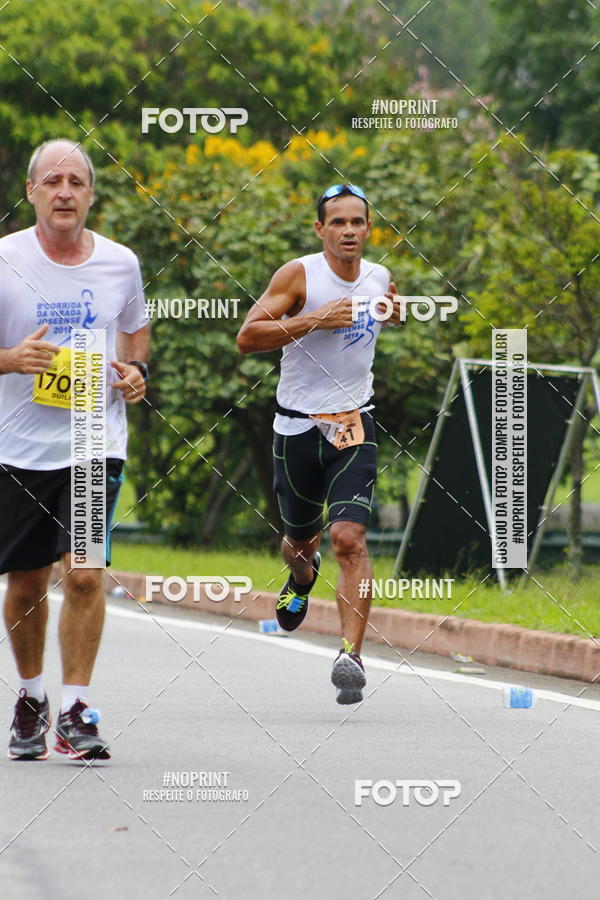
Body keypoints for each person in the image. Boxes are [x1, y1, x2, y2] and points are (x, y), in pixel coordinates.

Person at [0, 139, 150, 760]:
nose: (64, 192)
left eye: (76, 182)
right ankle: (32, 697)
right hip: (17, 445)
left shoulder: (120, 263)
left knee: (84, 574)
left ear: (90, 194)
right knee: (26, 580)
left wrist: (136, 373)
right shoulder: (4, 260)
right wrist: (10, 358)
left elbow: (135, 333)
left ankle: (76, 710)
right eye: (52, 181)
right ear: (31, 192)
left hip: (93, 438)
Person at [236, 183, 400, 704]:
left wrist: (394, 312)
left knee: (349, 538)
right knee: (299, 544)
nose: (349, 231)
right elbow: (247, 337)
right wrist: (314, 320)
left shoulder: (379, 277)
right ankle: (302, 578)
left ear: (368, 228)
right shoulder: (299, 275)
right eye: (338, 222)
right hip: (297, 428)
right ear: (320, 229)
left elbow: (389, 310)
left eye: (357, 222)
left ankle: (351, 656)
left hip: (354, 422)